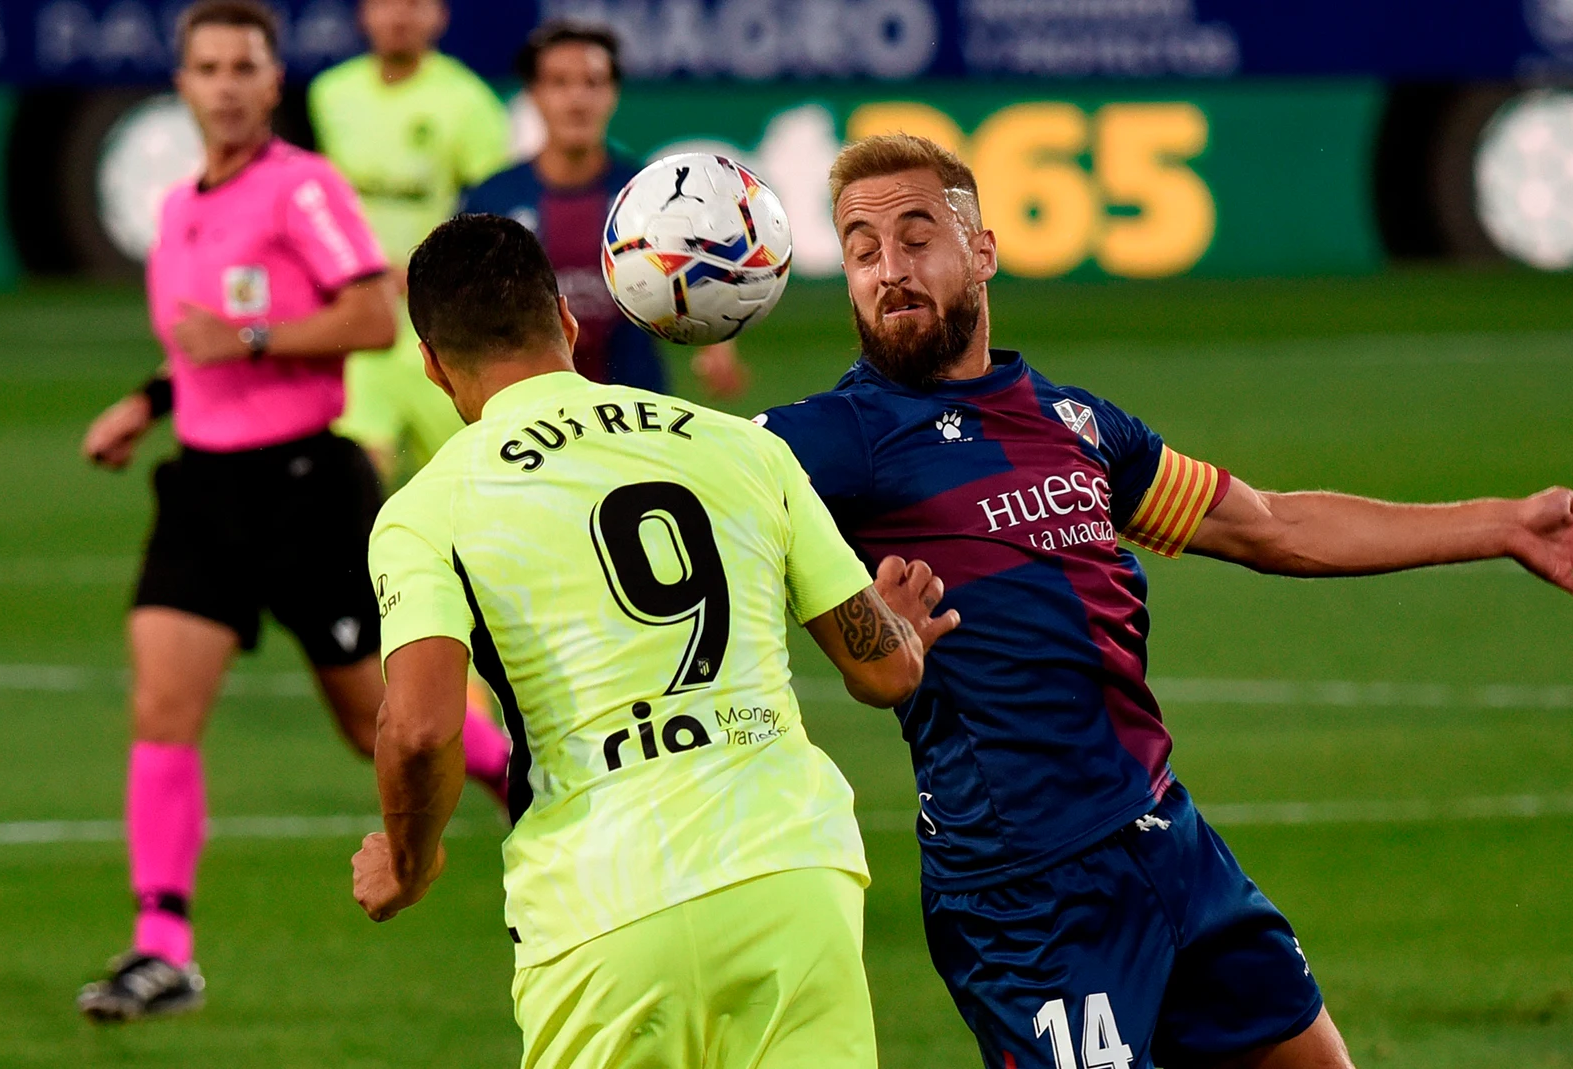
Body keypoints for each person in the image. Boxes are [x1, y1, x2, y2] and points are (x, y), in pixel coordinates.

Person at [756, 133, 1573, 1069]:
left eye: (917, 238)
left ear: (984, 251)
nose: (889, 269)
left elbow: (1271, 525)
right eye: (862, 250)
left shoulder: (1076, 424)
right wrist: (859, 628)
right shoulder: (842, 436)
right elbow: (696, 495)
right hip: (1028, 894)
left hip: (1167, 841)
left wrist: (1502, 524)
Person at [348, 213, 957, 1067]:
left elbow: (418, 728)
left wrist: (409, 864)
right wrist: (896, 627)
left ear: (431, 363)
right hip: (792, 877)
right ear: (566, 321)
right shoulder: (741, 446)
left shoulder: (427, 508)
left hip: (603, 907)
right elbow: (887, 669)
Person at [72, 0, 507, 1022]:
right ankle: (162, 949)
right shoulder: (178, 206)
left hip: (307, 487)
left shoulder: (301, 187)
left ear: (274, 84)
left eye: (244, 68)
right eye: (208, 68)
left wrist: (255, 337)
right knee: (162, 706)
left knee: (377, 723)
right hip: (205, 488)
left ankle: (521, 774)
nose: (225, 86)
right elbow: (197, 348)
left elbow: (370, 311)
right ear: (182, 85)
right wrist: (147, 401)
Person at [461, 20, 749, 400]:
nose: (577, 100)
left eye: (593, 83)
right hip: (531, 409)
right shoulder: (492, 200)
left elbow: (700, 268)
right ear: (533, 94)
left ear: (613, 93)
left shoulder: (652, 194)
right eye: (559, 83)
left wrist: (716, 339)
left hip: (635, 405)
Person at [311, 0, 511, 482]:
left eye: (415, 4)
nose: (398, 16)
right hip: (361, 322)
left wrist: (427, 272)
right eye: (385, 3)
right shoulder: (330, 93)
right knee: (356, 479)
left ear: (440, 15)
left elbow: (495, 218)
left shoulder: (469, 101)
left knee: (462, 483)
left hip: (438, 326)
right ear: (364, 13)